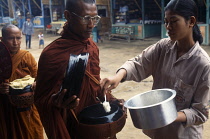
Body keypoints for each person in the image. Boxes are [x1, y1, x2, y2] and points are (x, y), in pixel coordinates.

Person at [100, 0, 210, 139]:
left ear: (191, 21)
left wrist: (167, 115)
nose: (168, 27)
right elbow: (138, 63)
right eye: (166, 22)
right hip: (159, 132)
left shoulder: (202, 64)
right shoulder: (163, 47)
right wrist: (118, 77)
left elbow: (200, 113)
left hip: (183, 135)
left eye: (174, 21)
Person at [34, 0, 125, 139]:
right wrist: (55, 102)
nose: (91, 25)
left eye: (95, 18)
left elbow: (94, 85)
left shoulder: (92, 47)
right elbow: (40, 98)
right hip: (72, 123)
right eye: (86, 18)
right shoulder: (52, 54)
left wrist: (110, 99)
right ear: (68, 15)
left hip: (96, 121)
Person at [0, 24, 43, 138]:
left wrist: (35, 84)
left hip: (26, 108)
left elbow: (38, 77)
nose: (15, 42)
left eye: (18, 38)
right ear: (2, 39)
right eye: (10, 38)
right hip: (5, 110)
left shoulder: (26, 56)